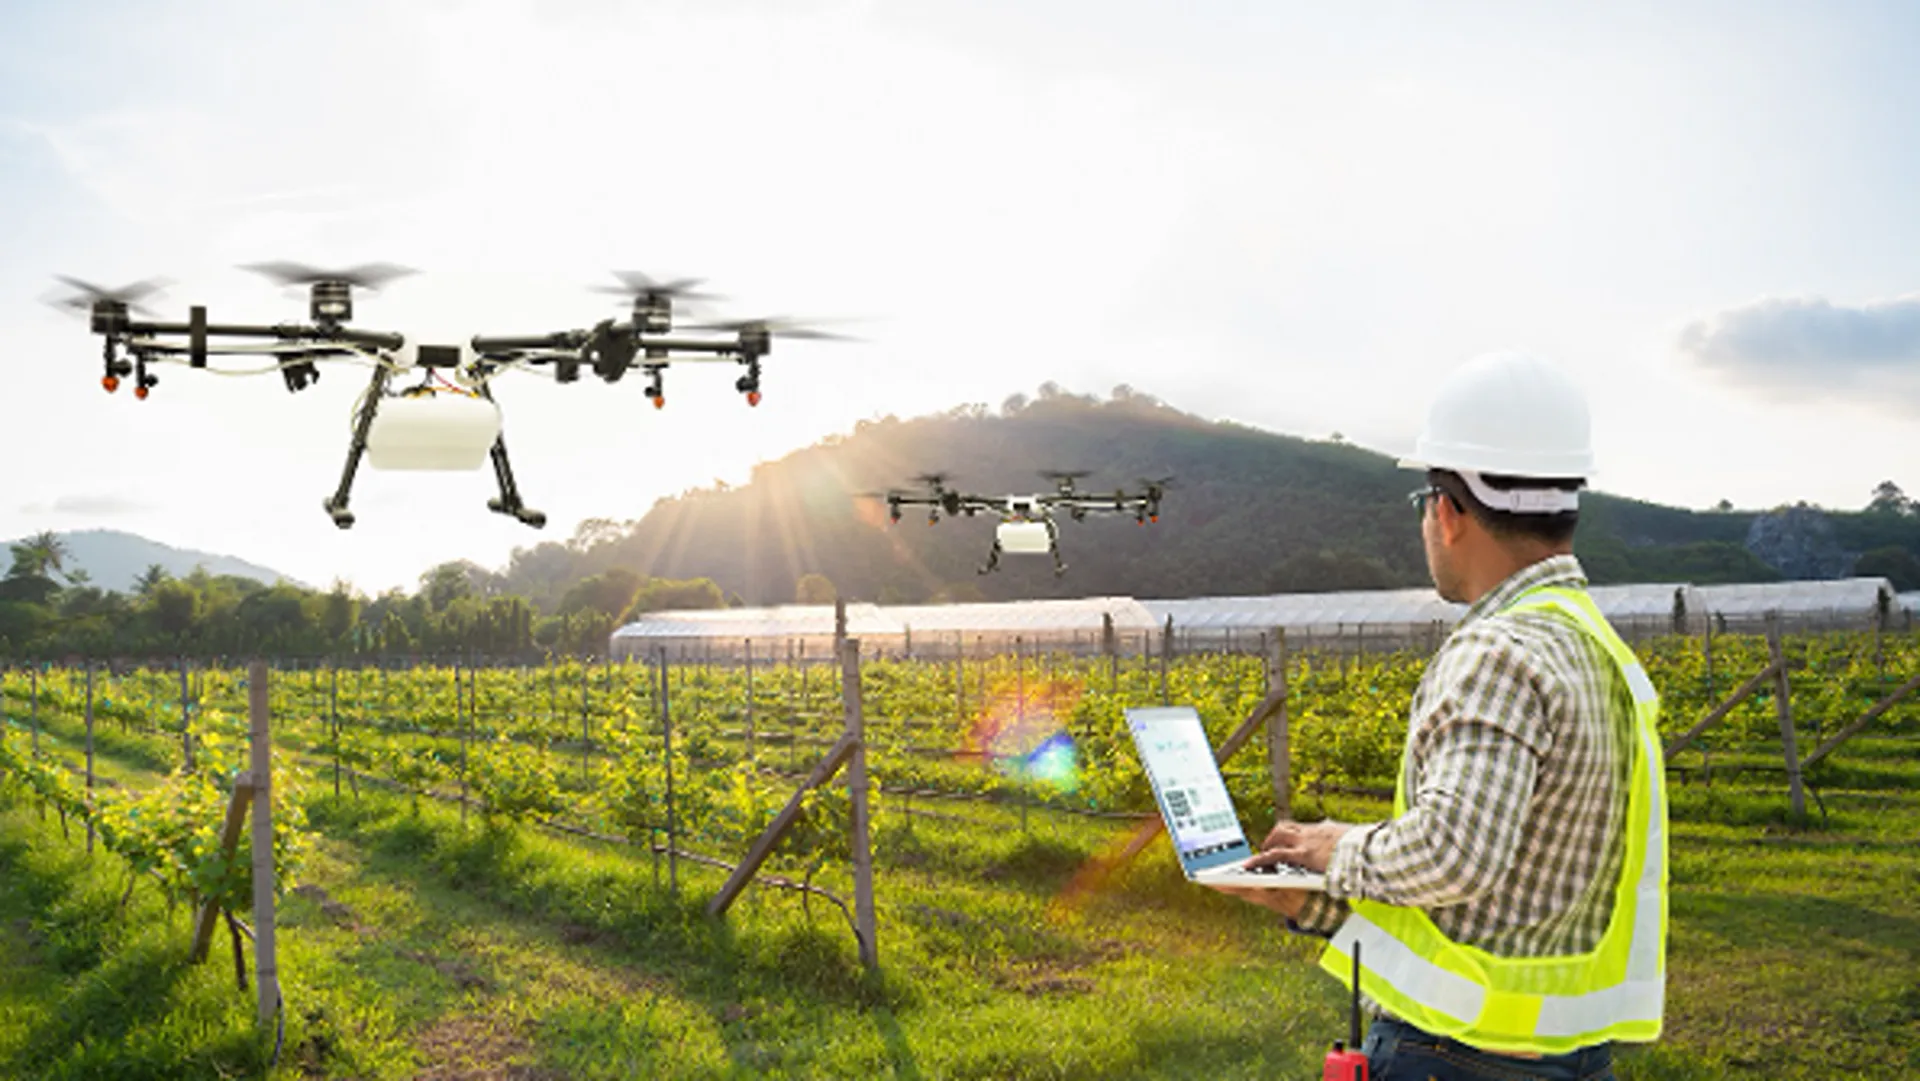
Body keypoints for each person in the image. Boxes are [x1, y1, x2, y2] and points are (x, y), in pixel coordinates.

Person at [1207, 350, 1668, 1080]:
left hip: (1457, 1062)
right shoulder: (1594, 646)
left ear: (1448, 512)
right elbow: (1510, 904)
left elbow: (1457, 852)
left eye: (1425, 504)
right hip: (1572, 1059)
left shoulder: (1500, 648)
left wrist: (1334, 846)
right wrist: (1316, 903)